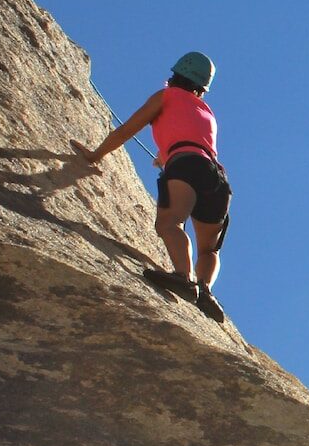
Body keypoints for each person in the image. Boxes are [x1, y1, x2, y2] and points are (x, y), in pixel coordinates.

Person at [76, 52, 232, 322]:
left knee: (169, 224)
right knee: (209, 249)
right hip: (216, 179)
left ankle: (184, 277)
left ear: (175, 75)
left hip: (185, 165)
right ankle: (206, 290)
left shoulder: (165, 96)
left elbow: (126, 131)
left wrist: (94, 155)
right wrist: (165, 156)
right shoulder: (207, 112)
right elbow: (192, 140)